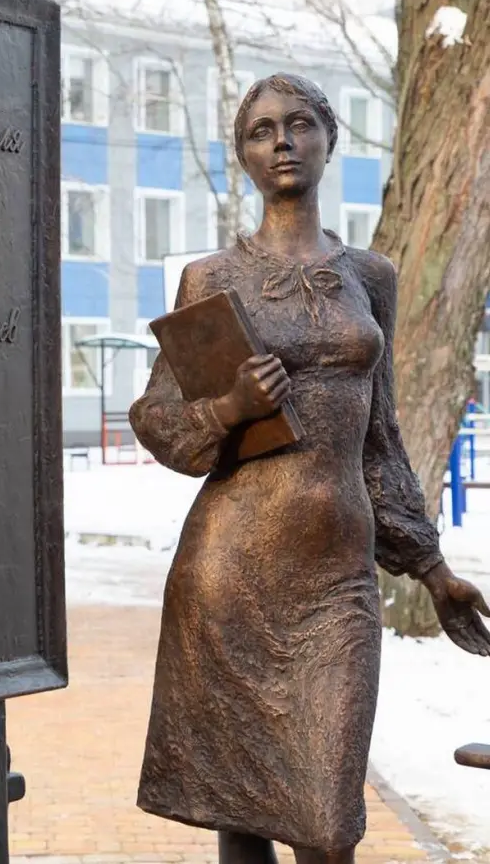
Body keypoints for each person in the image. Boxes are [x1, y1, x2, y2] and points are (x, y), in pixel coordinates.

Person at [129, 73, 490, 864]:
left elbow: (381, 439)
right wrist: (229, 404)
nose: (282, 141)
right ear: (243, 156)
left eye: (298, 124)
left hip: (337, 580)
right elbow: (158, 422)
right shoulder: (212, 279)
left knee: (328, 827)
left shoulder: (372, 277)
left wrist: (431, 569)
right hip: (229, 575)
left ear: (330, 138)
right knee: (244, 809)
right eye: (261, 131)